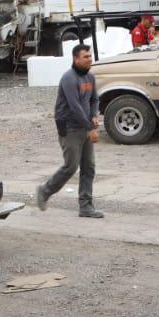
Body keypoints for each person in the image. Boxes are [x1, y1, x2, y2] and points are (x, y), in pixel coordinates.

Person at [35, 43, 104, 218]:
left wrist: (94, 115)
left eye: (90, 56)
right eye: (85, 57)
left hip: (85, 125)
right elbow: (74, 107)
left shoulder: (90, 78)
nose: (89, 59)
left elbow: (94, 99)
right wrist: (91, 127)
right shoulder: (69, 78)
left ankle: (86, 206)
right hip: (70, 127)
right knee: (71, 166)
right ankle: (45, 190)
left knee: (89, 167)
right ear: (76, 59)